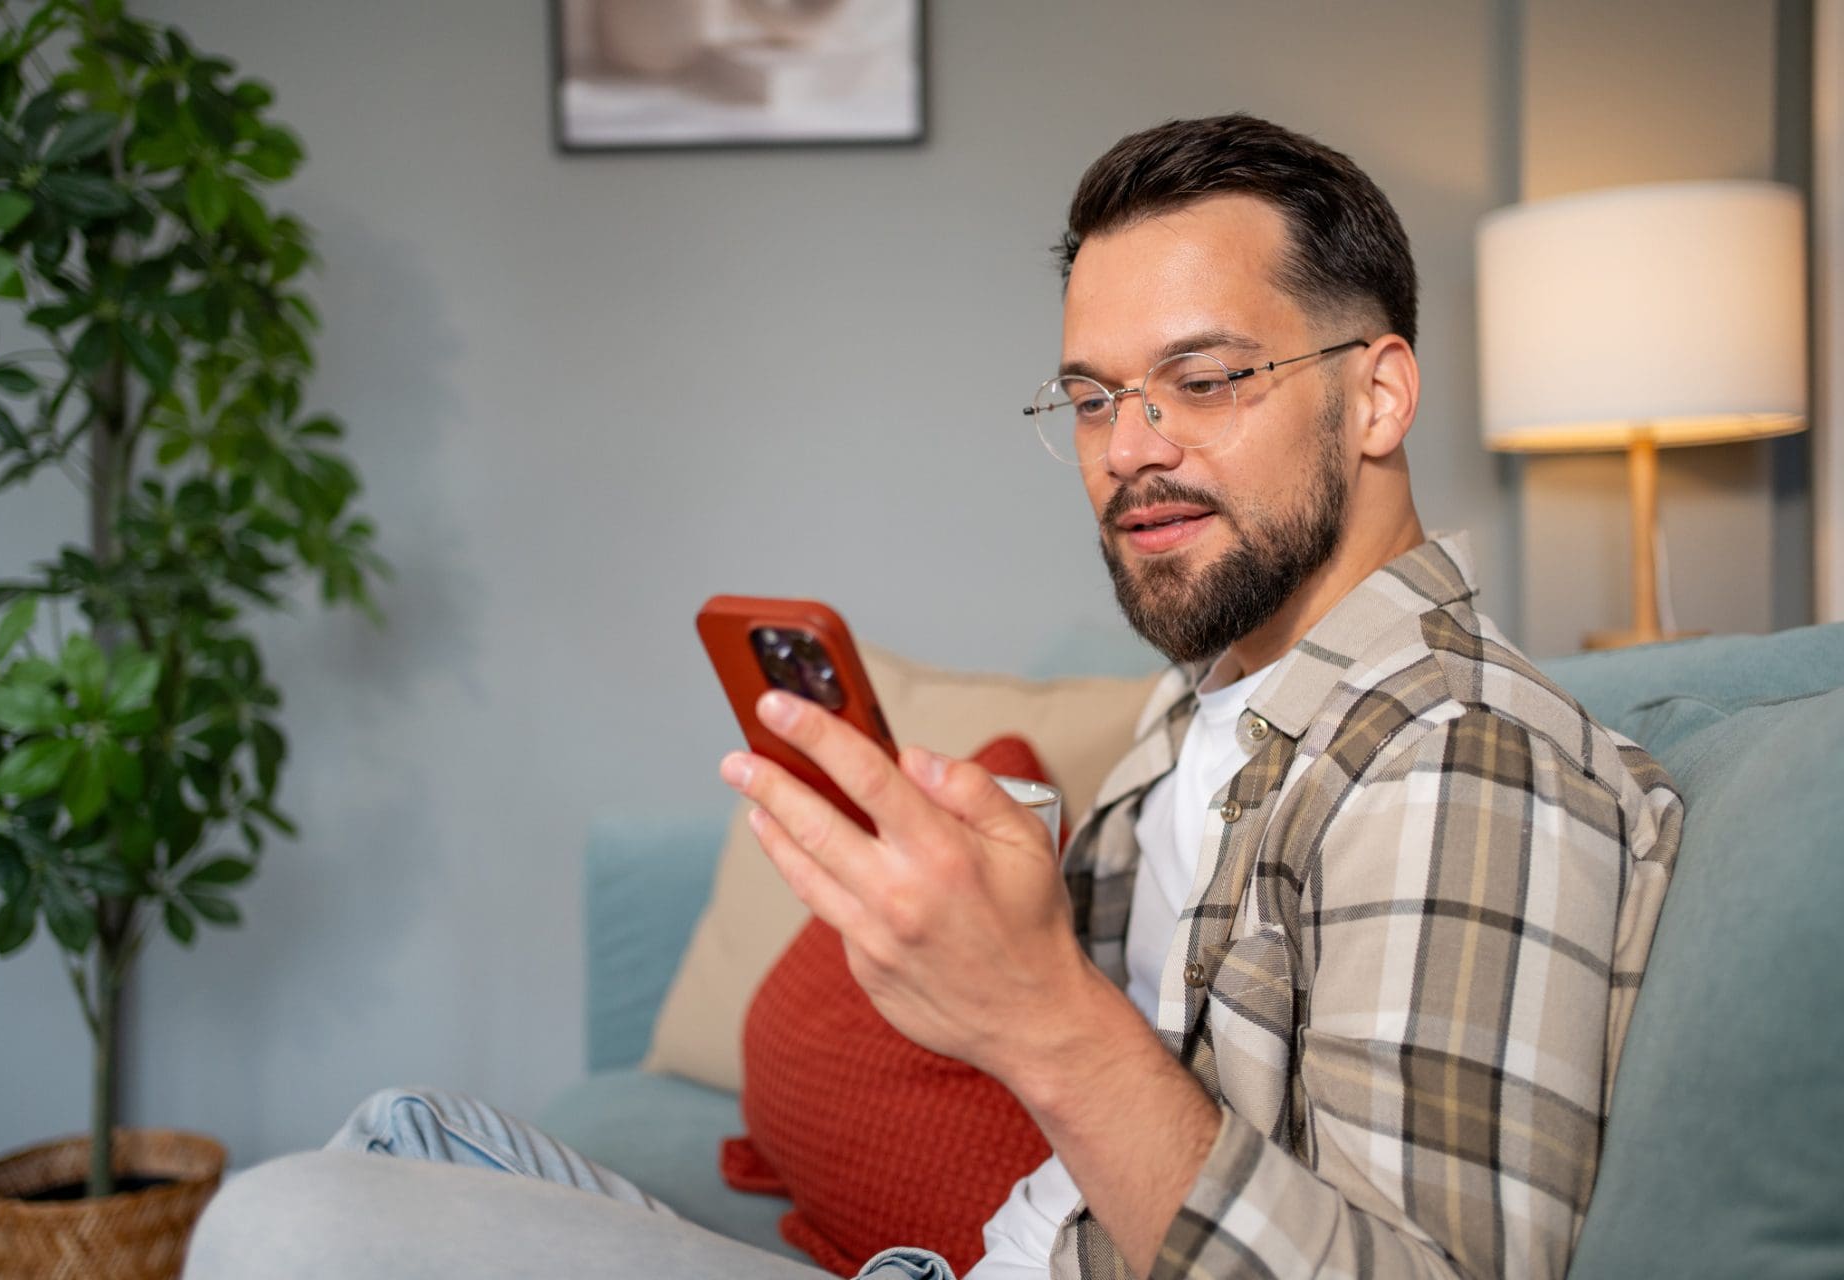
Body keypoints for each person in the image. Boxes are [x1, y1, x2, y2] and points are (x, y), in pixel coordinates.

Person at [186, 115, 1681, 1280]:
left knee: (284, 1229)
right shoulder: (1212, 704)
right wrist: (991, 904)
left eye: (1205, 379)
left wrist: (1039, 1017)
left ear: (1376, 395)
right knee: (401, 1139)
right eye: (1091, 396)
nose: (1130, 448)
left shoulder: (1449, 760)